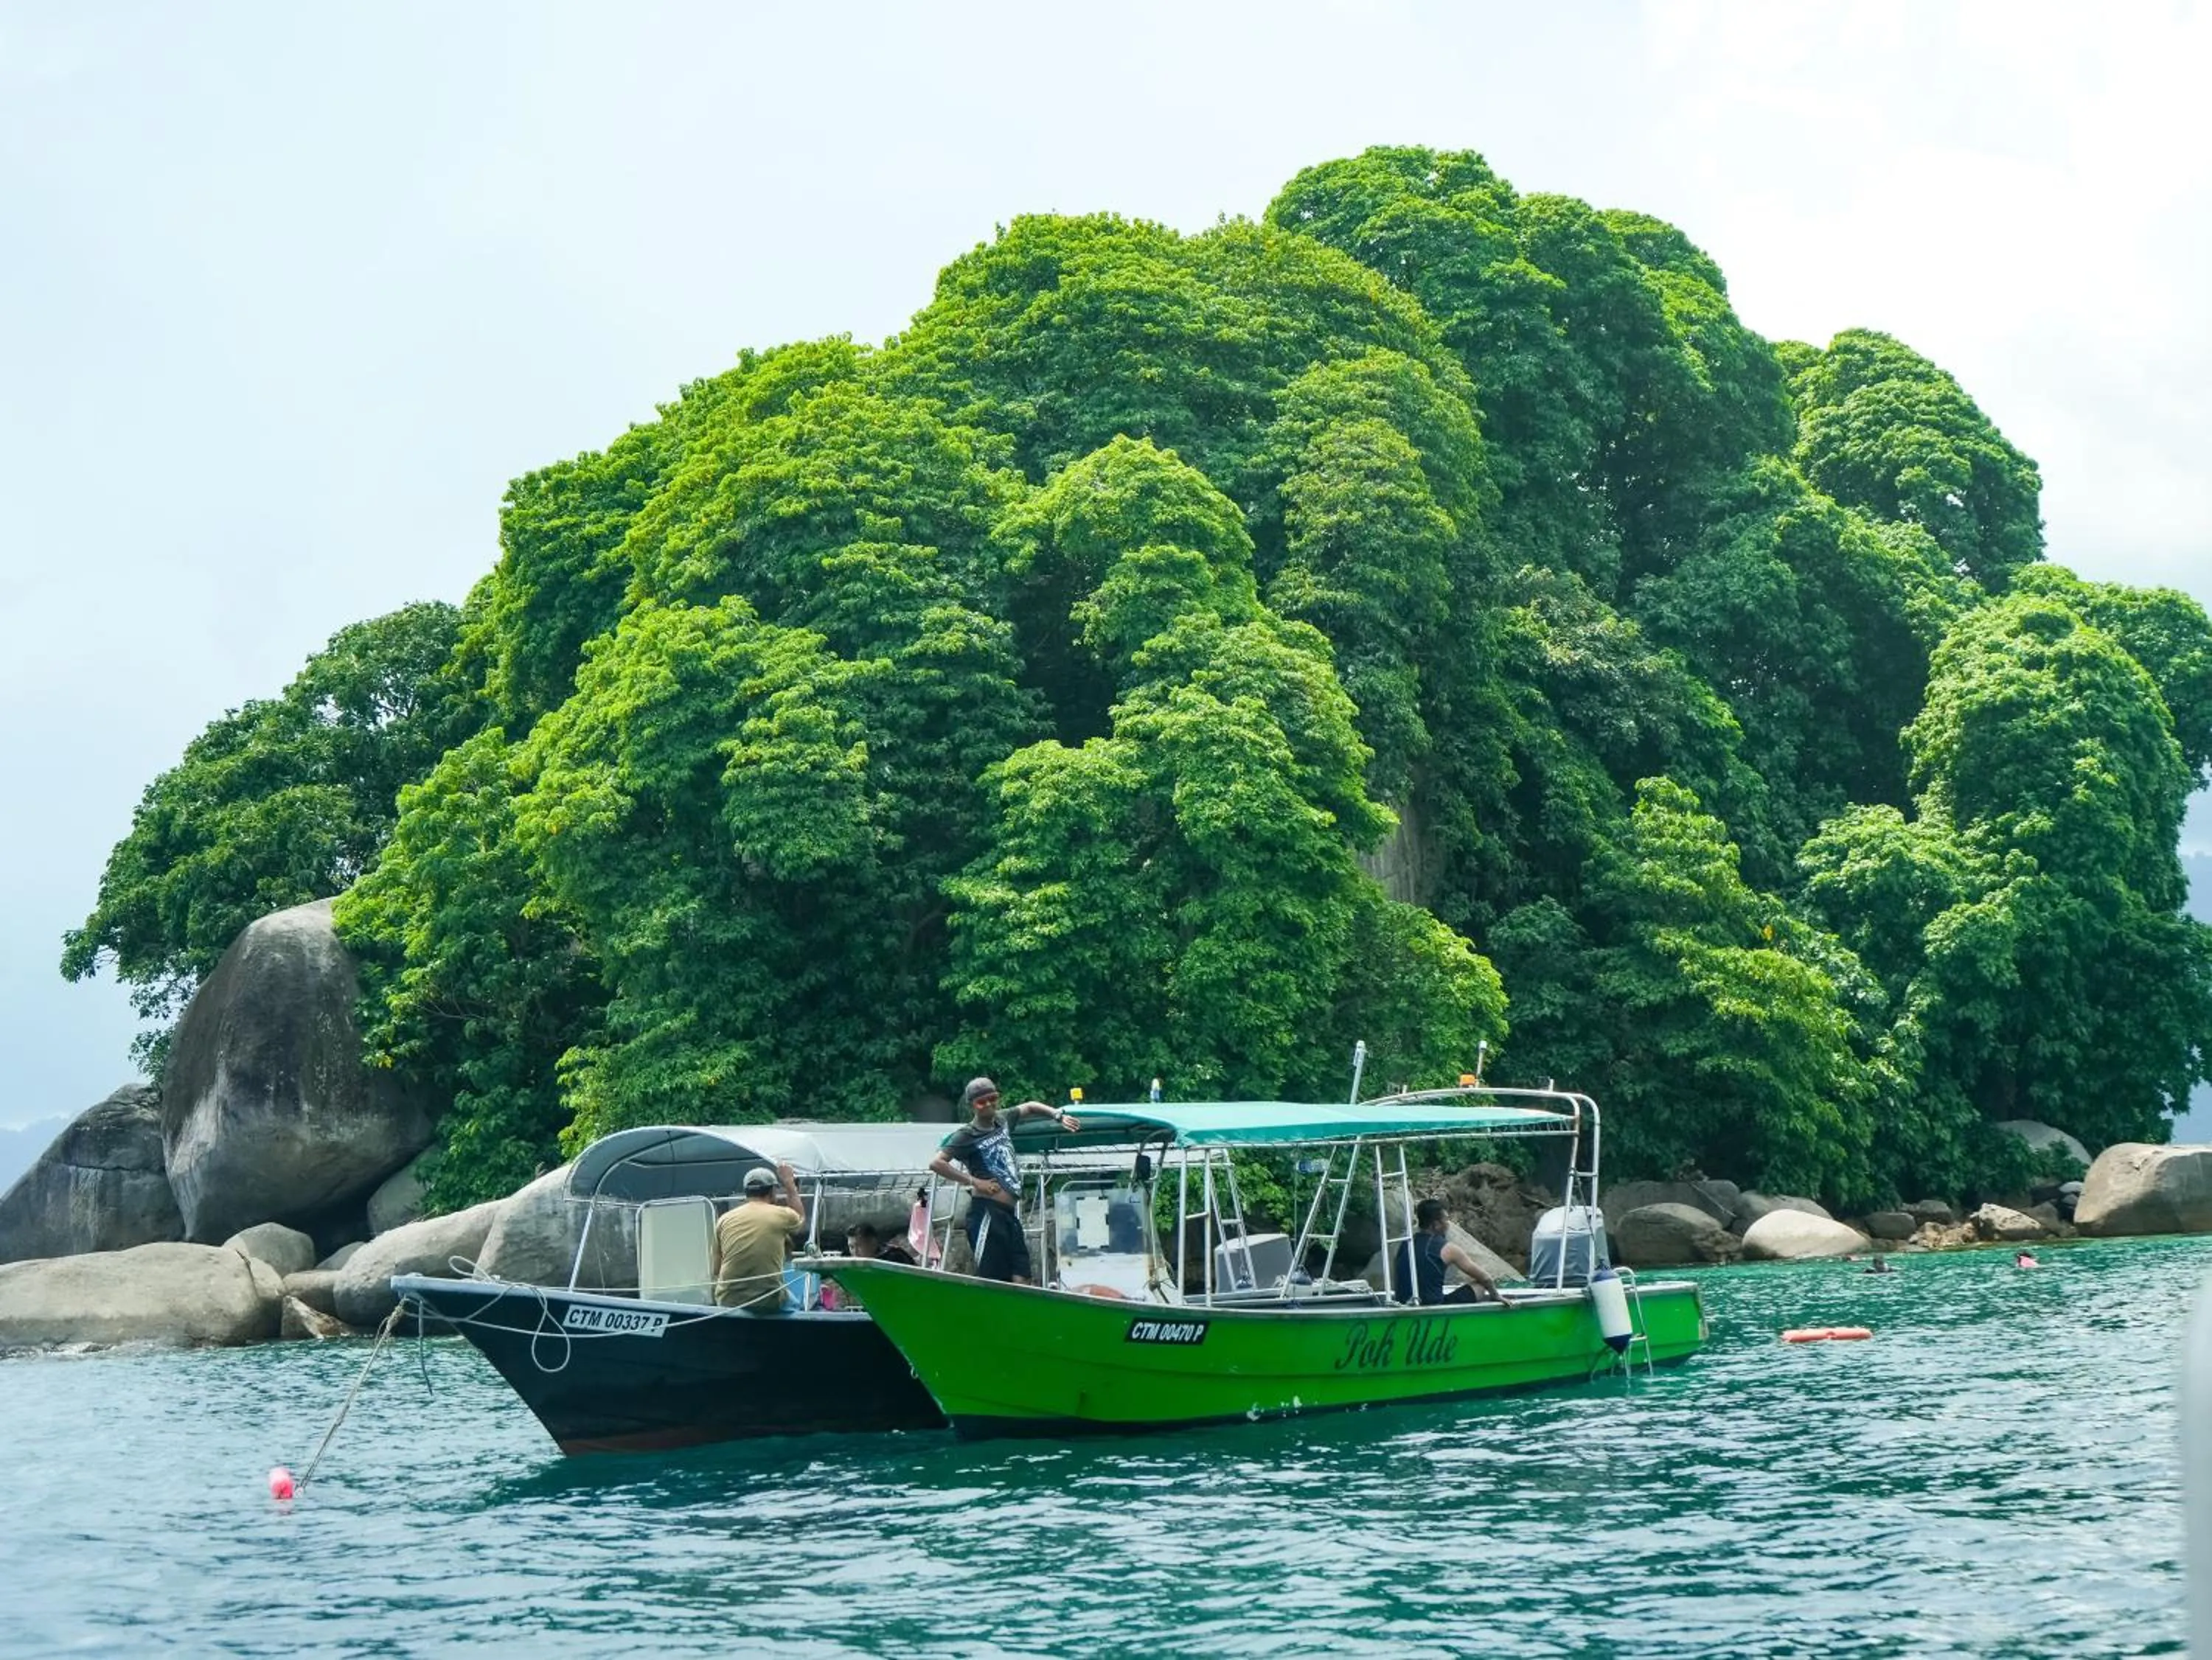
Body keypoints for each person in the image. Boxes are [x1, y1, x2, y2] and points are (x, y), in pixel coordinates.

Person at [929, 1077, 1081, 1283]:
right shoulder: (966, 1135)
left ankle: (1021, 1314)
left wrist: (1057, 1115)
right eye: (982, 1102)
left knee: (1022, 1275)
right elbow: (937, 1163)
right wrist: (975, 1182)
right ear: (972, 1105)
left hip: (1008, 1215)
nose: (989, 1105)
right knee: (994, 1280)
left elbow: (1030, 1106)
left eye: (993, 1098)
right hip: (986, 1213)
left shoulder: (1003, 1119)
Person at [712, 1160, 809, 1314]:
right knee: (798, 1306)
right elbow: (801, 1219)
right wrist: (790, 1185)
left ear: (746, 1192)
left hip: (727, 1300)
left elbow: (716, 1269)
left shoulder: (724, 1219)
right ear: (772, 1192)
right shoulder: (781, 1214)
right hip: (768, 1300)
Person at [1393, 1198, 1501, 1306]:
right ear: (1436, 1224)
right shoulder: (1449, 1249)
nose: (1448, 1224)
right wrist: (1496, 1296)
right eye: (1446, 1220)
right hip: (1434, 1306)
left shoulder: (1405, 1244)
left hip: (1404, 1304)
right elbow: (1486, 1278)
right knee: (1480, 1286)